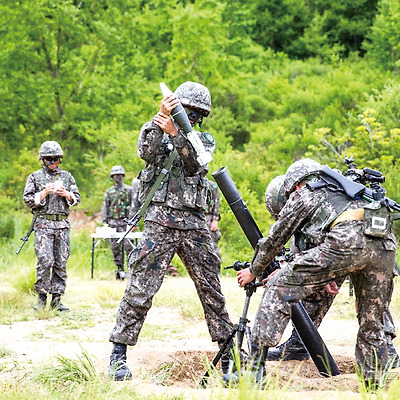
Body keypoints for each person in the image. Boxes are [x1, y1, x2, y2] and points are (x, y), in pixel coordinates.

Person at [108, 81, 233, 381]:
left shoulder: (203, 139)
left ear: (201, 115)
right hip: (160, 220)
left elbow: (197, 166)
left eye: (193, 112)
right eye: (183, 110)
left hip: (194, 223)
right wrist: (160, 123)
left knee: (211, 289)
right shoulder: (155, 128)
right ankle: (118, 355)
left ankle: (228, 356)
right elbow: (145, 152)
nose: (187, 115)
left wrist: (178, 134)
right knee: (141, 286)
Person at [235, 158, 397, 388]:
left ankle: (254, 372)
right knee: (371, 322)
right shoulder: (348, 190)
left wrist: (254, 270)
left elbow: (274, 240)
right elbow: (352, 235)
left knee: (279, 287)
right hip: (385, 248)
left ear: (295, 184)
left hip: (346, 246)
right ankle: (374, 388)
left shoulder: (306, 192)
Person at [263, 173, 400, 368]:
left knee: (372, 301)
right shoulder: (327, 196)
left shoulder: (321, 199)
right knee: (323, 290)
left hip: (357, 247)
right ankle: (301, 341)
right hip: (374, 250)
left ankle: (385, 347)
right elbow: (307, 254)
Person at [23, 141, 81, 312]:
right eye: (49, 159)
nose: (52, 162)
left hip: (62, 225)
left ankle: (57, 299)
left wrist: (67, 195)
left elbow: (77, 198)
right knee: (45, 261)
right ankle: (41, 298)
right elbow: (27, 200)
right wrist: (44, 193)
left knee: (61, 262)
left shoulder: (67, 177)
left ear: (59, 159)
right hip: (43, 225)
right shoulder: (35, 177)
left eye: (55, 159)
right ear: (43, 159)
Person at [102, 165, 135, 280]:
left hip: (125, 223)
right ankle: (120, 270)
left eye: (120, 175)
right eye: (116, 175)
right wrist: (104, 222)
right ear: (112, 177)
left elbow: (133, 206)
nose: (118, 177)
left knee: (129, 246)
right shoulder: (109, 192)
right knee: (115, 248)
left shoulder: (129, 190)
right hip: (113, 223)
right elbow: (105, 207)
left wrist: (131, 222)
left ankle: (132, 270)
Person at [205, 177, 222, 261]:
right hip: (197, 217)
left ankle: (216, 268)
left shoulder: (212, 185)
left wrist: (215, 220)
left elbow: (216, 202)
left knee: (213, 244)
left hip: (209, 217)